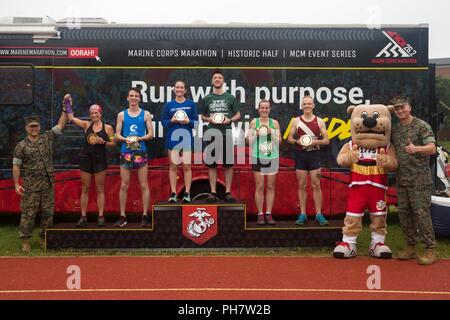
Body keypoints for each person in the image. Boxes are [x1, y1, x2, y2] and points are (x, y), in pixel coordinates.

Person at [13, 94, 69, 253]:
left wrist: (65, 109)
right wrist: (17, 184)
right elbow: (16, 166)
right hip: (31, 186)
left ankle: (45, 238)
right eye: (31, 126)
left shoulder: (46, 138)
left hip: (48, 185)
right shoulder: (21, 146)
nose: (34, 128)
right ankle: (25, 240)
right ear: (26, 128)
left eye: (36, 126)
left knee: (47, 214)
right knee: (28, 214)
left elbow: (60, 125)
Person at [391, 96, 438, 265]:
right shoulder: (395, 130)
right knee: (404, 214)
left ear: (409, 107)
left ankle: (430, 248)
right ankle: (410, 246)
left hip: (419, 179)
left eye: (402, 107)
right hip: (402, 179)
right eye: (396, 109)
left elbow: (432, 149)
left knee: (421, 214)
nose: (400, 111)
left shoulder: (421, 126)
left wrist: (416, 148)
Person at [67, 101, 115, 227]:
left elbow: (114, 143)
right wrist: (67, 102)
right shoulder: (86, 125)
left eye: (96, 113)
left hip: (100, 160)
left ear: (101, 114)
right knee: (85, 188)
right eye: (92, 113)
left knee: (100, 188)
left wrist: (103, 141)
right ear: (90, 115)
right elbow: (71, 117)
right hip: (86, 160)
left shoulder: (108, 128)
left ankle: (100, 216)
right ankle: (83, 217)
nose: (94, 115)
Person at [287, 96, 330, 225]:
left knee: (316, 184)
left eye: (309, 104)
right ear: (301, 106)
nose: (306, 106)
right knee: (302, 185)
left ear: (313, 105)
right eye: (304, 104)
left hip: (314, 155)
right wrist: (297, 141)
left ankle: (318, 214)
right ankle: (303, 214)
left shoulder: (320, 121)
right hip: (301, 155)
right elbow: (289, 138)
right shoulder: (296, 121)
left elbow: (326, 140)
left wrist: (315, 141)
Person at [115, 87, 154, 227]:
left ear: (139, 98)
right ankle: (122, 216)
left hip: (140, 152)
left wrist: (139, 138)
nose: (133, 98)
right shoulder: (121, 115)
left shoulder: (145, 114)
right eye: (131, 95)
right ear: (127, 97)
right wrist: (126, 139)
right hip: (126, 152)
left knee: (143, 184)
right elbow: (117, 134)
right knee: (124, 184)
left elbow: (151, 134)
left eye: (136, 96)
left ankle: (145, 215)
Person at [201, 70, 241, 202]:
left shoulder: (230, 98)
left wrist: (230, 120)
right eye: (215, 78)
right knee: (211, 165)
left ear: (223, 81)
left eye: (220, 78)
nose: (217, 80)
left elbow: (238, 115)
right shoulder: (206, 98)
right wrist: (209, 120)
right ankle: (213, 192)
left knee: (228, 164)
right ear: (212, 81)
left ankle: (228, 192)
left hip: (227, 132)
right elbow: (202, 116)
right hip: (212, 132)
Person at [161, 80, 198, 203]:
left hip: (186, 139)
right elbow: (164, 123)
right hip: (173, 139)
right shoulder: (169, 105)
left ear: (185, 90)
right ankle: (173, 194)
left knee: (187, 166)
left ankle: (187, 193)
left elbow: (196, 123)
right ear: (174, 89)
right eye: (177, 87)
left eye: (182, 87)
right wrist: (172, 121)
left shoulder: (191, 104)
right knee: (173, 166)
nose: (179, 89)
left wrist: (188, 122)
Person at [247, 99, 280, 225]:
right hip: (257, 156)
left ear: (269, 109)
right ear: (258, 109)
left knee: (271, 186)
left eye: (267, 108)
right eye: (262, 108)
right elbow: (249, 142)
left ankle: (269, 213)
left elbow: (279, 142)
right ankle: (260, 214)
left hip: (272, 156)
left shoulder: (274, 123)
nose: (264, 110)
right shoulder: (253, 122)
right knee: (259, 185)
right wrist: (256, 133)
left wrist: (272, 133)